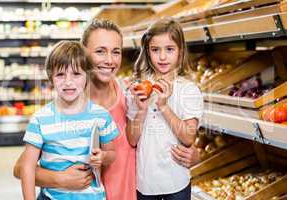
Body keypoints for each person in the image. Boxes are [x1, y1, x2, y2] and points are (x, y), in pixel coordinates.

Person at [14, 19, 201, 200]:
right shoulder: (68, 106)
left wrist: (194, 154)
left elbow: (156, 135)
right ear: (83, 53)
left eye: (116, 52)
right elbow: (20, 168)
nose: (110, 60)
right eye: (100, 51)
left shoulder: (131, 94)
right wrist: (59, 179)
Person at [20, 40, 118, 200]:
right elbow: (27, 167)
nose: (68, 82)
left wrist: (103, 157)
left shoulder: (101, 116)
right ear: (50, 78)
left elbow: (112, 154)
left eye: (76, 74)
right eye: (60, 74)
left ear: (88, 75)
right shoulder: (40, 119)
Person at [126, 18, 204, 200]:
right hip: (145, 182)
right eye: (155, 50)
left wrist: (163, 106)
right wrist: (142, 111)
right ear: (147, 52)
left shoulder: (188, 90)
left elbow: (188, 137)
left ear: (180, 51)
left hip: (176, 181)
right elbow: (131, 139)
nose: (162, 57)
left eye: (169, 49)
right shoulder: (137, 90)